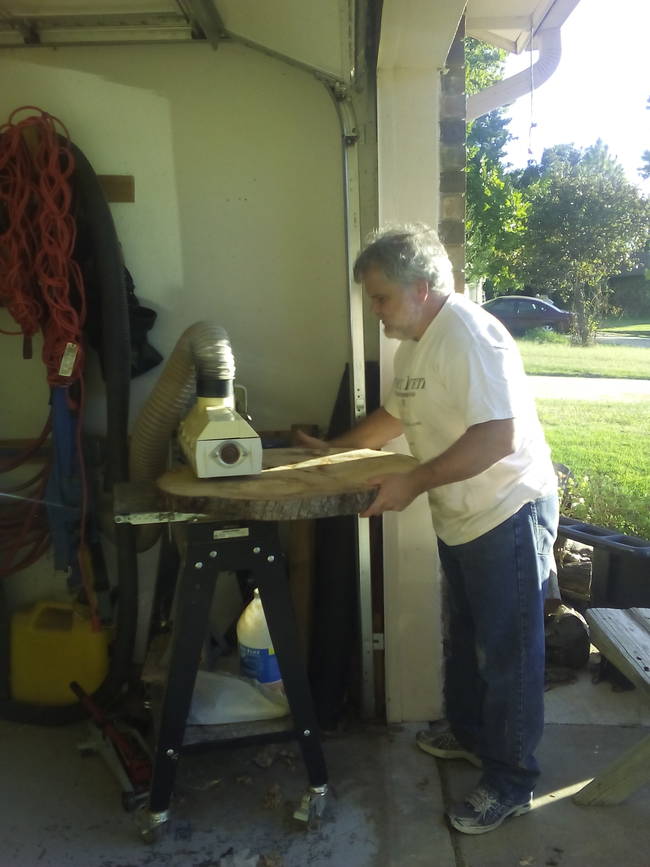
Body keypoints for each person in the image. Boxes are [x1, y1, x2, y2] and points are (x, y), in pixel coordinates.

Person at [299, 224, 559, 835]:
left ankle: (511, 781)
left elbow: (500, 437)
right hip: (462, 513)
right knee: (467, 634)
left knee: (508, 653)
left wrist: (414, 482)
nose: (377, 310)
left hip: (506, 510)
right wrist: (330, 453)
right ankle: (472, 736)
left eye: (382, 297)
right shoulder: (415, 343)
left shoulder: (469, 337)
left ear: (421, 287)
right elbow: (393, 418)